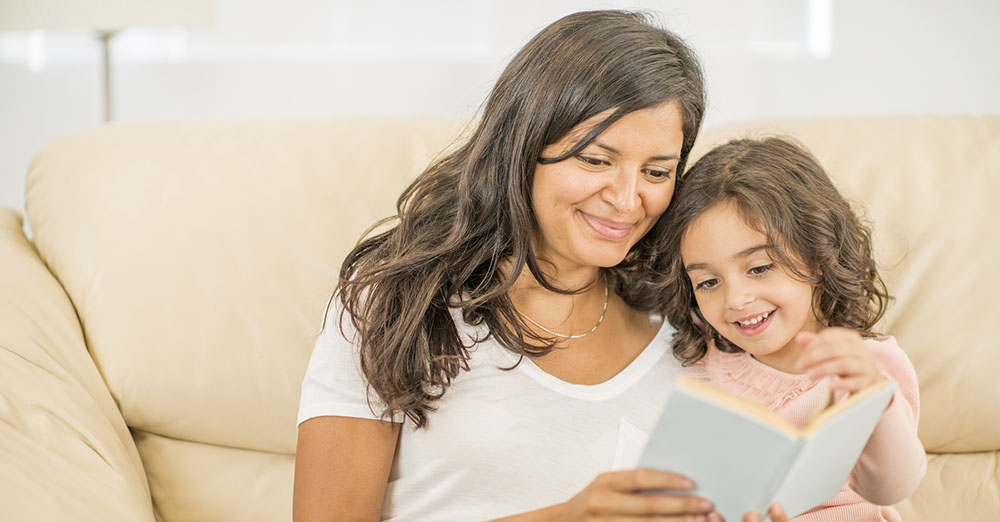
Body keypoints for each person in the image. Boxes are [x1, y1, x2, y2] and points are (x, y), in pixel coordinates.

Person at [294, 10, 790, 522]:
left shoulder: (693, 309)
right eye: (596, 161)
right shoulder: (399, 300)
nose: (626, 200)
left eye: (657, 171)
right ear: (524, 147)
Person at [654, 137, 926, 521]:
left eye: (759, 268)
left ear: (817, 254)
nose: (736, 299)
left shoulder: (866, 366)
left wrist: (872, 397)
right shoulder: (704, 365)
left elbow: (892, 487)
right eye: (708, 282)